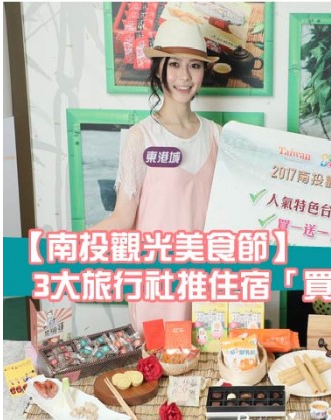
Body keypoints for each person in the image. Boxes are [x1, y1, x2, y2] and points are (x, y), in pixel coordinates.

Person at [90, 20, 221, 332]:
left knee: (209, 358)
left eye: (194, 66)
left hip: (207, 282)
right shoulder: (142, 137)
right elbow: (123, 218)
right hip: (158, 284)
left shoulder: (217, 135)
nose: (184, 76)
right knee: (159, 358)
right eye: (174, 64)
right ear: (159, 69)